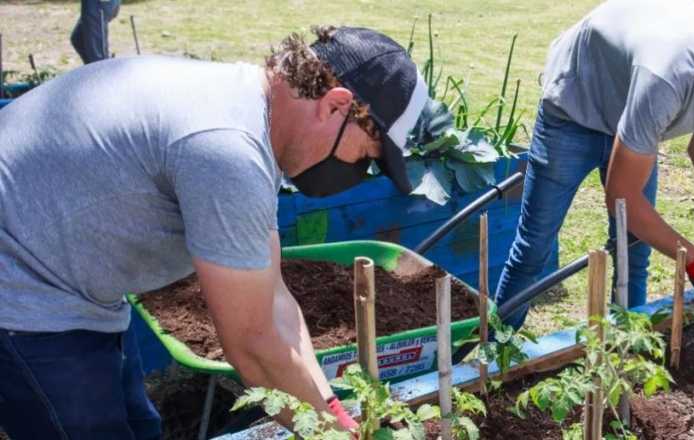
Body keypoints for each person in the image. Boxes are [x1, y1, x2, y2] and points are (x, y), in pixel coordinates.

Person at [0, 25, 429, 438]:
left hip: (68, 279)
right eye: (368, 156)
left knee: (140, 427)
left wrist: (331, 410)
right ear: (336, 105)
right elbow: (254, 347)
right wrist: (332, 434)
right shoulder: (227, 152)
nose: (360, 171)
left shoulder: (247, 111)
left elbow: (274, 296)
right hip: (24, 291)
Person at [494, 0, 694, 328]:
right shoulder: (668, 78)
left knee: (635, 253)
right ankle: (493, 357)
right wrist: (693, 259)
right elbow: (622, 200)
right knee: (533, 248)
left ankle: (627, 347)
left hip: (633, 108)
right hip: (576, 106)